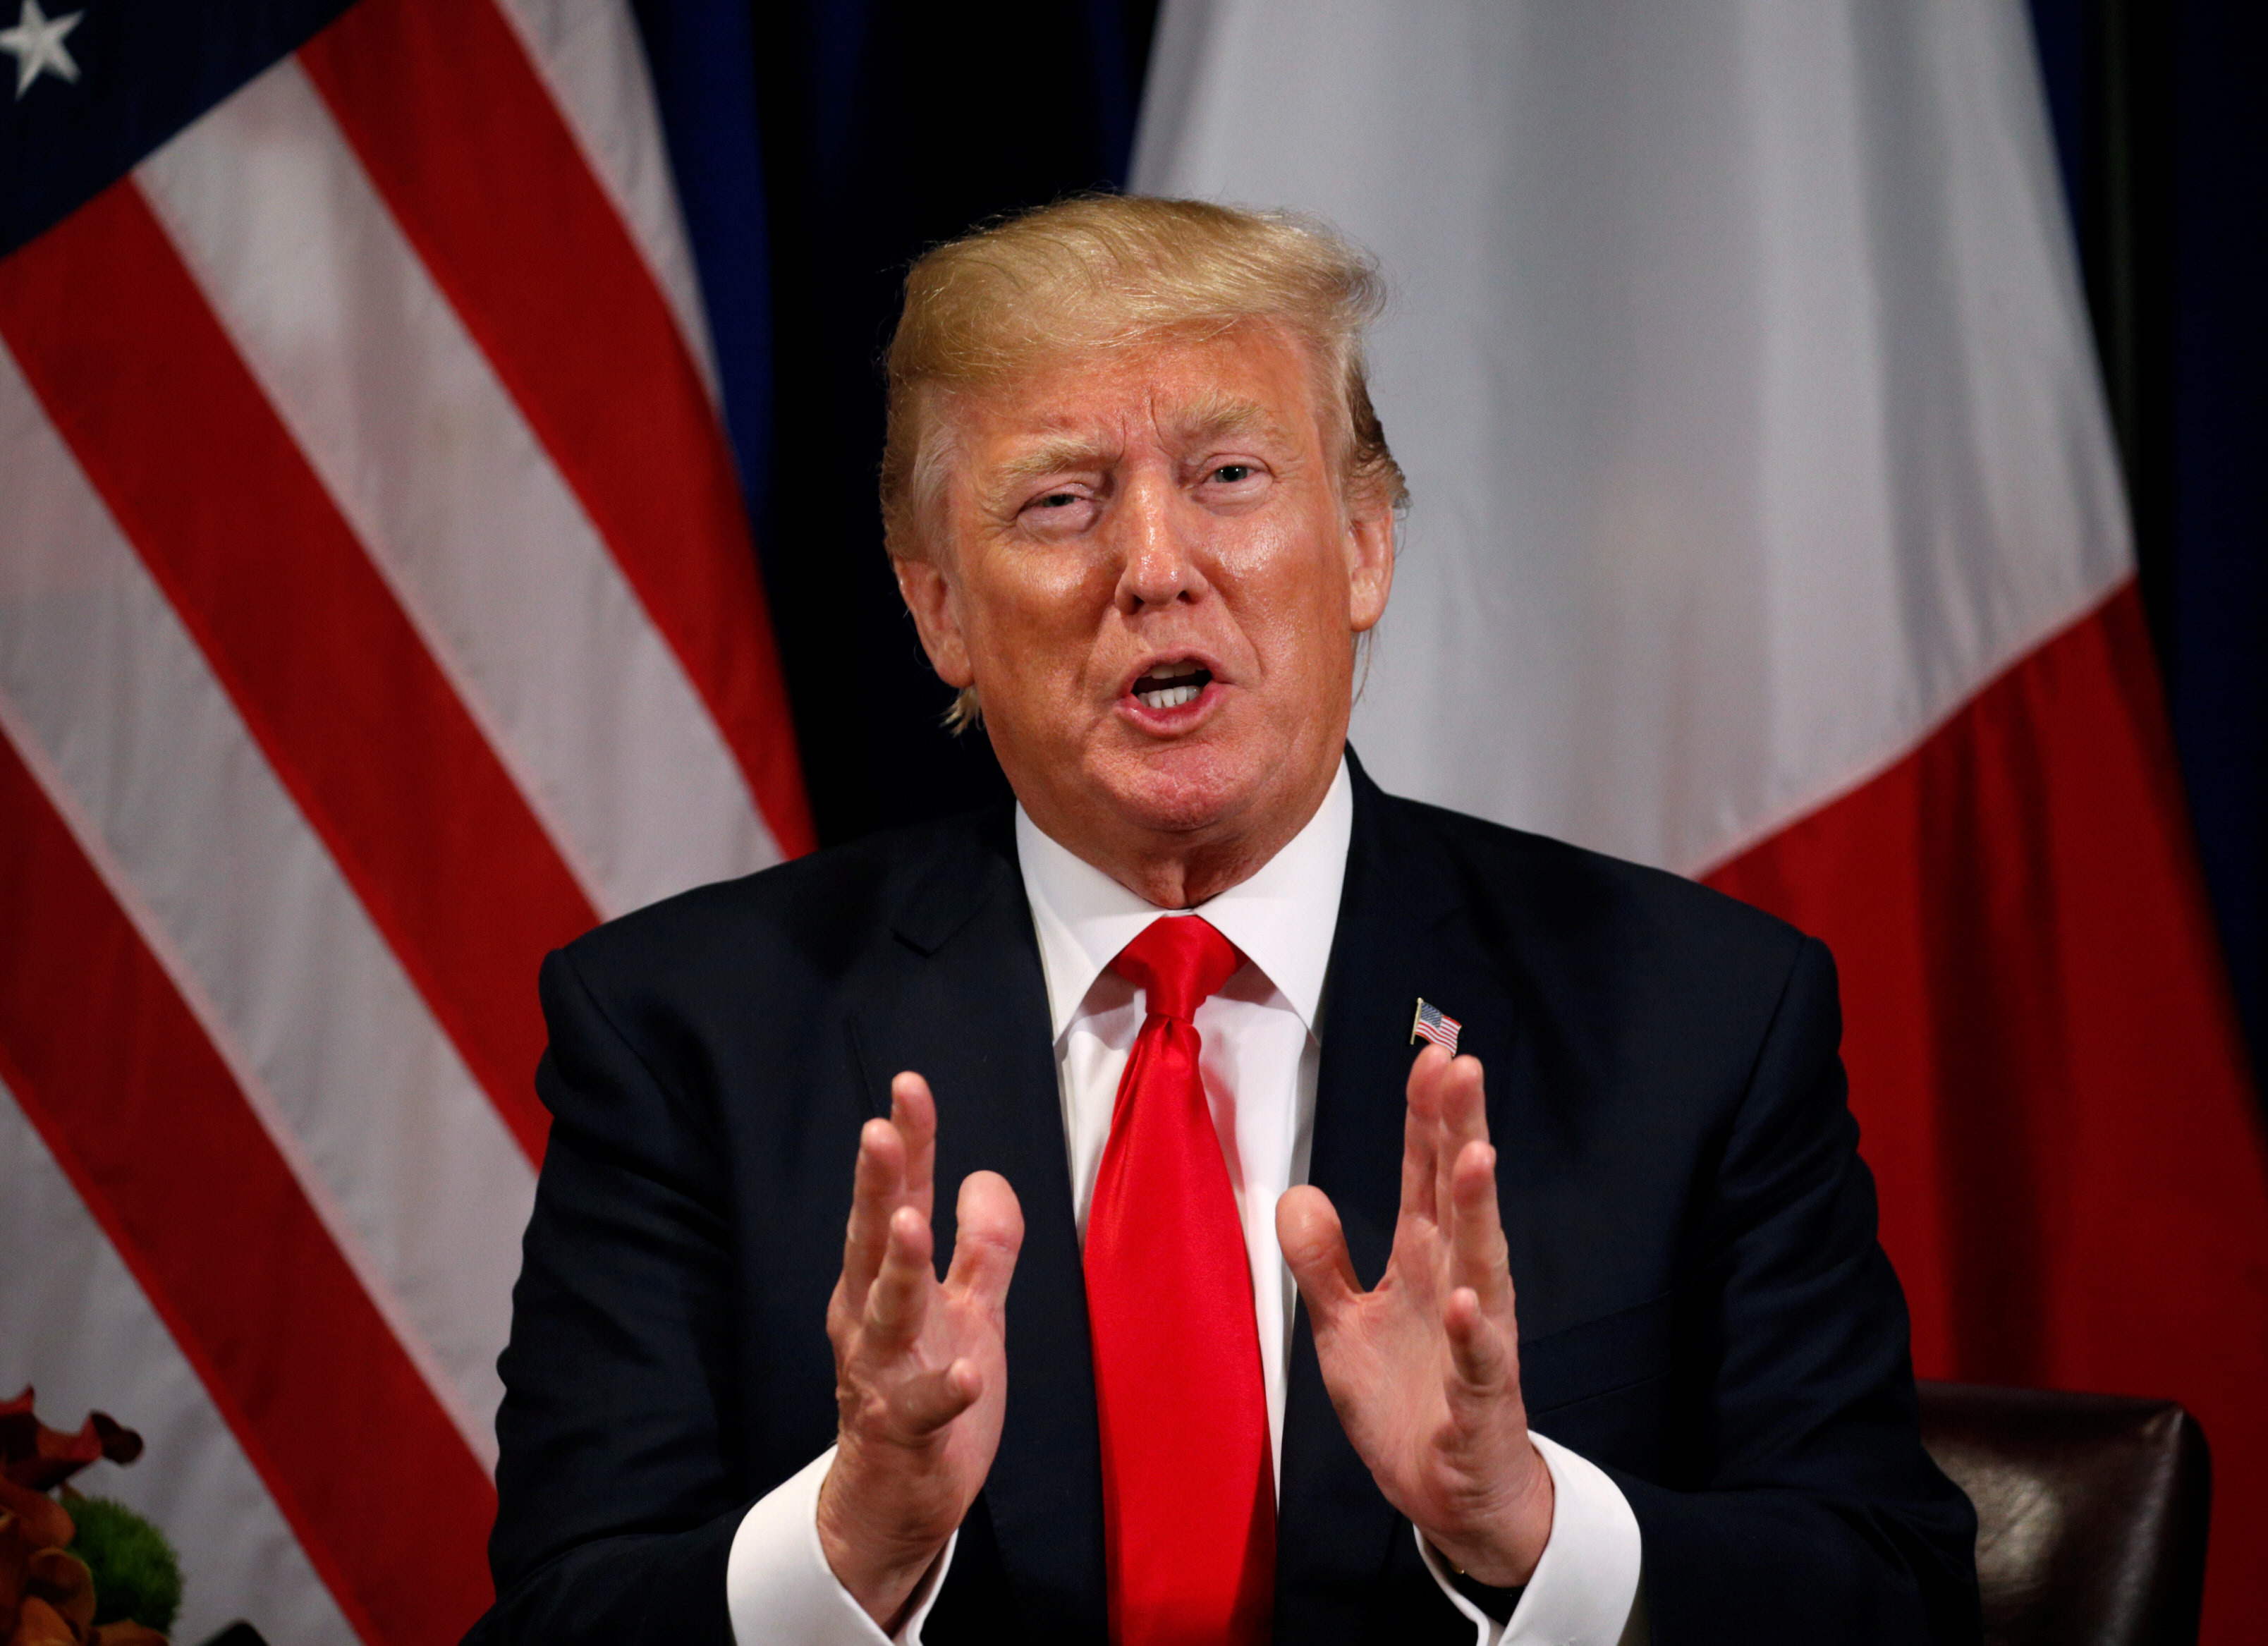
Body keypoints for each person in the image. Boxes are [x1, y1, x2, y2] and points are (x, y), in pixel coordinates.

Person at [465, 197, 1978, 1646]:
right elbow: (557, 1616)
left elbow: (1892, 1597)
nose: (1155, 568)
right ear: (938, 611)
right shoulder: (687, 1031)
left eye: (1229, 478)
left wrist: (1522, 1524)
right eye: (1061, 501)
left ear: (1366, 545)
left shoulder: (1696, 1017)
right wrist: (855, 1543)